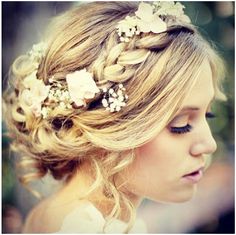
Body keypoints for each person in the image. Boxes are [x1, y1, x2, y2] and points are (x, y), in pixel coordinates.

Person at [3, 1, 226, 233]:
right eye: (181, 124)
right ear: (107, 127)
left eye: (207, 115)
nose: (208, 145)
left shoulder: (62, 216)